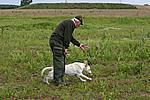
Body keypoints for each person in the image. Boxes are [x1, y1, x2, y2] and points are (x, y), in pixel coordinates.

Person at [49, 15, 88, 86]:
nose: (78, 26)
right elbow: (67, 37)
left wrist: (79, 44)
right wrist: (66, 48)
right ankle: (58, 82)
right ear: (77, 21)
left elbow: (70, 37)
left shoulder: (68, 24)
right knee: (59, 62)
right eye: (79, 24)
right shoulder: (70, 24)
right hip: (57, 43)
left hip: (56, 42)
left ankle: (57, 80)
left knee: (60, 61)